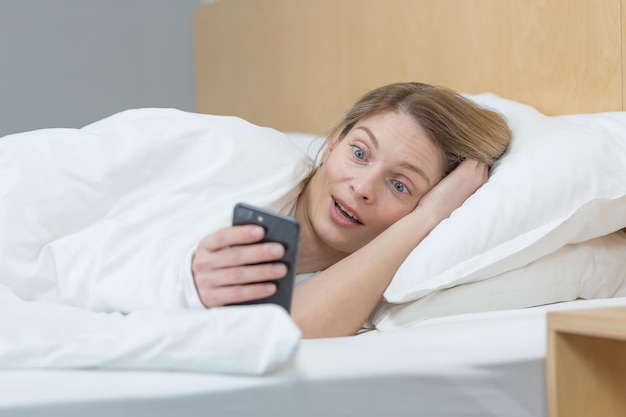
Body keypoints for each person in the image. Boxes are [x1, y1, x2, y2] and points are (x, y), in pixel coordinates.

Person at [190, 82, 511, 338]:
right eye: (359, 152)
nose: (362, 187)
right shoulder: (230, 161)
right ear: (333, 142)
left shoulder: (355, 288)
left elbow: (287, 331)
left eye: (400, 185)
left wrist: (428, 216)